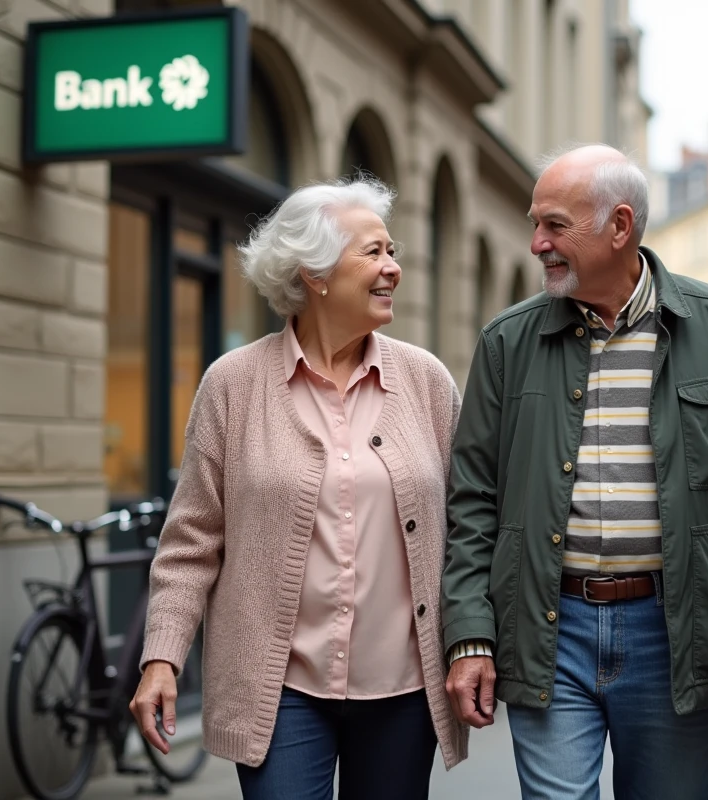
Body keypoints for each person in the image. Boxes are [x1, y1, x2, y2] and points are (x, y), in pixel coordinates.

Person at [440, 144, 708, 799]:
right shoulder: (506, 343)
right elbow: (471, 501)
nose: (536, 244)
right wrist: (469, 631)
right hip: (548, 629)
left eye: (555, 225)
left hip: (680, 634)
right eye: (535, 224)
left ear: (619, 226)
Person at [129, 178, 467, 800]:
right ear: (314, 273)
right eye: (373, 253)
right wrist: (161, 658)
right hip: (277, 691)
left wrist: (475, 641)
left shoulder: (426, 382)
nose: (393, 267)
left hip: (403, 688)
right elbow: (192, 539)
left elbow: (471, 528)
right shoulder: (233, 383)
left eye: (392, 251)